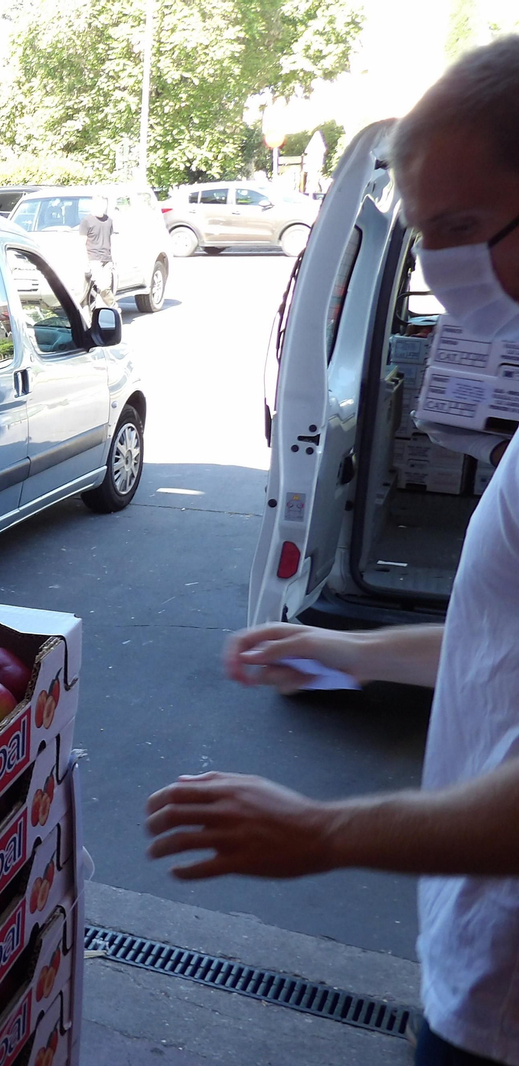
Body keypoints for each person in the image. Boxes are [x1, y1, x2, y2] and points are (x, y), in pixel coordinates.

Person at [143, 36, 519, 1066]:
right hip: (475, 977)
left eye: (461, 228)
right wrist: (354, 653)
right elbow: (501, 640)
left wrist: (319, 834)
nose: (441, 266)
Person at [78, 196, 116, 308]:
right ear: (93, 205)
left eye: (104, 205)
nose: (102, 207)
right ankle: (114, 307)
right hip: (94, 259)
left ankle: (98, 311)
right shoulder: (86, 221)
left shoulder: (109, 221)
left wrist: (113, 259)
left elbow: (111, 239)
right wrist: (85, 262)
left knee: (106, 287)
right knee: (103, 287)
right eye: (99, 204)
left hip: (107, 259)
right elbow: (81, 243)